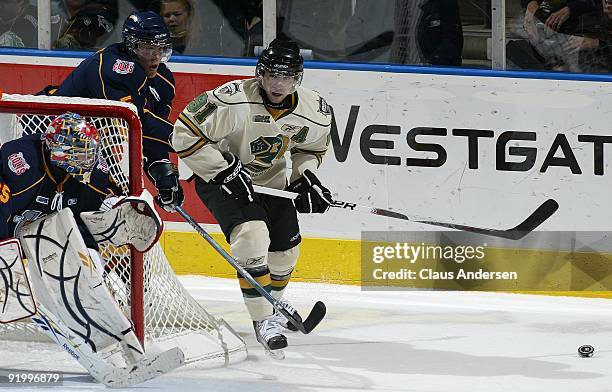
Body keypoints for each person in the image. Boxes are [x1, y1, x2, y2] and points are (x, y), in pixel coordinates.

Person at [172, 38, 333, 355]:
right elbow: (183, 133)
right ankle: (263, 321)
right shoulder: (231, 99)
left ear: (297, 78)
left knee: (286, 249)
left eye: (287, 76)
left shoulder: (315, 109)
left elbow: (310, 150)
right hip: (222, 179)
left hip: (270, 182)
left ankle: (271, 300)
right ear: (260, 74)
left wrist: (305, 178)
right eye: (272, 75)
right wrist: (221, 169)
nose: (278, 83)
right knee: (252, 237)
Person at [39, 10, 183, 213]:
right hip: (46, 133)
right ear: (131, 47)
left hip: (86, 148)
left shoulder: (164, 83)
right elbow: (136, 121)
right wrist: (188, 140)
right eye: (147, 49)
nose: (155, 57)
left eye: (161, 49)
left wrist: (163, 173)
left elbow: (149, 138)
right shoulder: (112, 67)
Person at [0, 112, 116, 240]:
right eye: (80, 154)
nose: (87, 161)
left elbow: (109, 195)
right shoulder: (23, 164)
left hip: (52, 251)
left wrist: (113, 203)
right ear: (58, 149)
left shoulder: (95, 173)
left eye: (89, 153)